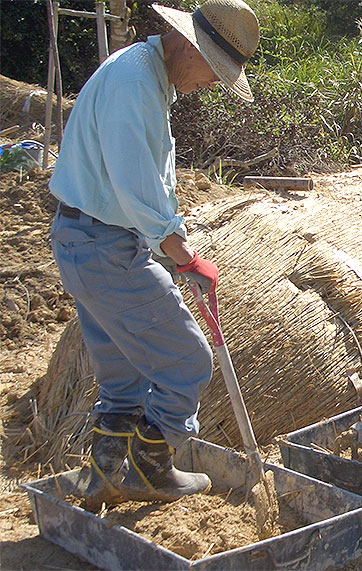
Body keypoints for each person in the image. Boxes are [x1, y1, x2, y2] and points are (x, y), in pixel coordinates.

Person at [48, 0, 260, 508]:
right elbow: (134, 186)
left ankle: (103, 475)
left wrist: (170, 240)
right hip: (102, 245)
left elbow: (150, 182)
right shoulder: (134, 85)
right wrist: (183, 255)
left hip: (90, 241)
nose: (212, 84)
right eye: (215, 70)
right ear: (190, 45)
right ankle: (151, 467)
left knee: (122, 372)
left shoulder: (147, 77)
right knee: (188, 360)